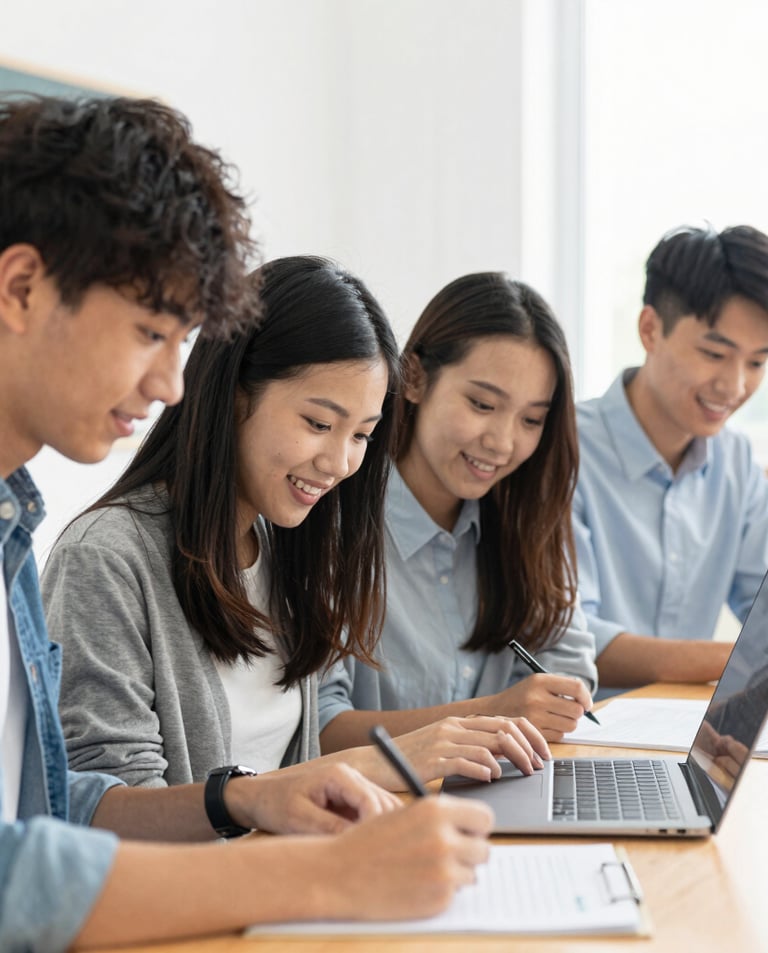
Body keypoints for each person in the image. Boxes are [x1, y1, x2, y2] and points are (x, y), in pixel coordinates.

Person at [0, 94, 494, 953]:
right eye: (152, 332)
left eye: (182, 342)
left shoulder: (16, 535)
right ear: (20, 289)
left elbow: (53, 806)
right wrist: (324, 872)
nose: (168, 385)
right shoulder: (100, 554)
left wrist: (245, 795)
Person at [43, 254, 546, 791]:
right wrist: (359, 767)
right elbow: (101, 809)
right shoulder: (104, 558)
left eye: (361, 435)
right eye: (319, 423)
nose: (339, 463)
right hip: (216, 875)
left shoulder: (286, 547)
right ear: (236, 396)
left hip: (296, 865)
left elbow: (294, 781)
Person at [319, 272, 598, 748]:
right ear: (415, 378)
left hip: (500, 793)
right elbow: (319, 729)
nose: (503, 442)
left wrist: (552, 703)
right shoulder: (331, 521)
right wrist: (489, 714)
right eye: (483, 404)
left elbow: (569, 672)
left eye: (531, 419)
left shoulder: (523, 516)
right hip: (378, 810)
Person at [573, 224, 768, 694]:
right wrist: (739, 661)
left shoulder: (736, 460)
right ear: (649, 329)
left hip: (679, 733)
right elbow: (574, 639)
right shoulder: (566, 451)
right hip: (580, 737)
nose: (734, 386)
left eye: (758, 363)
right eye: (714, 353)